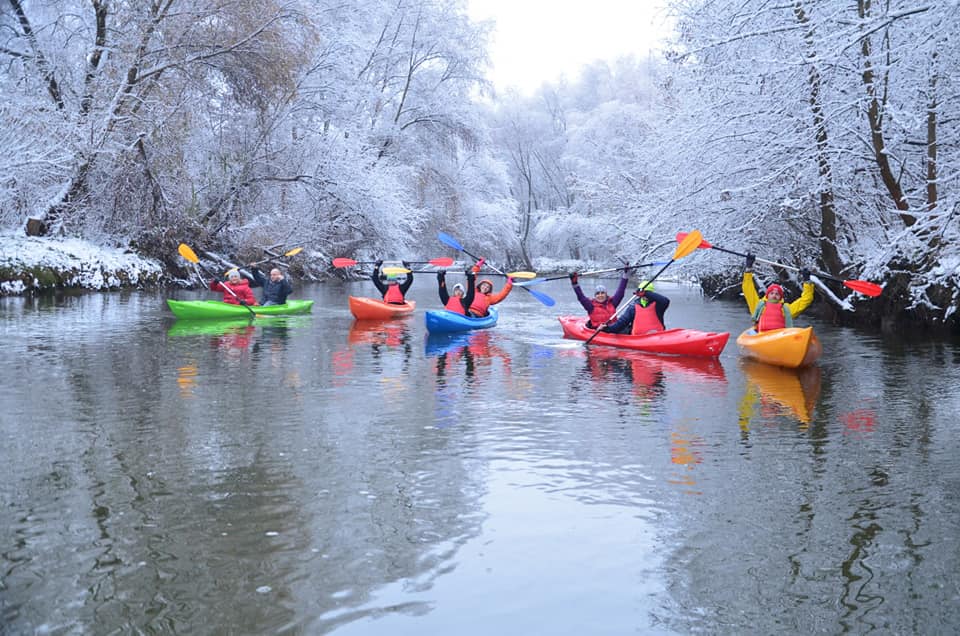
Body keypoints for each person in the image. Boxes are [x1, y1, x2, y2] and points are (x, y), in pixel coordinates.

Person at [742, 254, 814, 331]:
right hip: (761, 335)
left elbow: (806, 300)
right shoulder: (758, 306)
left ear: (780, 297)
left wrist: (807, 281)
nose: (774, 296)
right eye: (772, 293)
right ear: (767, 295)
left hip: (779, 336)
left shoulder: (785, 309)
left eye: (777, 294)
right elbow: (748, 289)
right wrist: (748, 269)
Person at [602, 281, 670, 334]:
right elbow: (622, 322)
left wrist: (645, 293)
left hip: (657, 336)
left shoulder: (659, 305)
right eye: (642, 293)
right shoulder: (633, 306)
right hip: (637, 338)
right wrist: (608, 328)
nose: (645, 296)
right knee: (624, 329)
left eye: (647, 293)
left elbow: (666, 301)